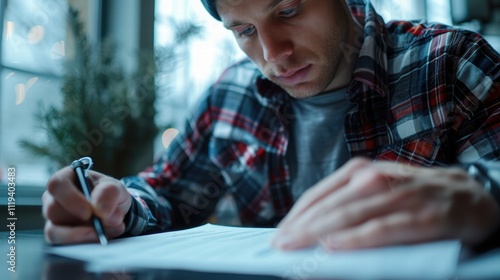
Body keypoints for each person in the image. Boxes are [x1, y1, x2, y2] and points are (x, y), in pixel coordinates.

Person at [43, 0, 500, 251]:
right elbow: (167, 194)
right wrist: (117, 206)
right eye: (244, 31)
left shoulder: (451, 64)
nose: (273, 53)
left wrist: (485, 198)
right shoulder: (230, 95)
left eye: (287, 11)